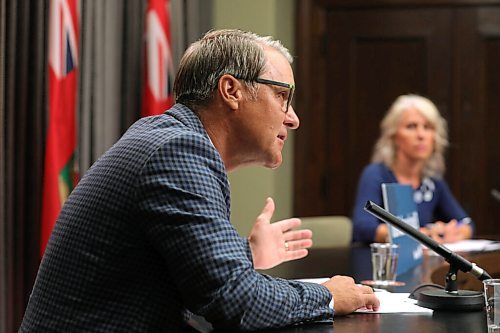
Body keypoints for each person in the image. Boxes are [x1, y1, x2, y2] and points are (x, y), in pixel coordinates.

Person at [20, 29, 378, 332]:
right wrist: (330, 295)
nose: (293, 119)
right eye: (283, 96)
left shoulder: (163, 135)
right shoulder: (179, 149)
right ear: (231, 90)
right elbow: (236, 302)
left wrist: (246, 254)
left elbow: (177, 270)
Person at [352, 94, 474, 244]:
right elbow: (363, 227)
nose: (421, 135)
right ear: (394, 136)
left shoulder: (432, 180)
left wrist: (456, 233)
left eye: (427, 127)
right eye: (411, 126)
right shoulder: (376, 174)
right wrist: (420, 234)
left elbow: (466, 223)